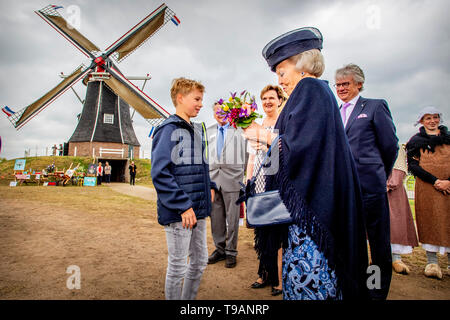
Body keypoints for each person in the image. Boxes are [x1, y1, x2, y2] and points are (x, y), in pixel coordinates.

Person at [244, 27, 369, 300]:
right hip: (310, 208)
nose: (280, 81)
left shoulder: (310, 89)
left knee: (309, 283)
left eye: (282, 73)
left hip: (313, 214)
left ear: (301, 65)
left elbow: (302, 147)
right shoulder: (315, 92)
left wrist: (263, 136)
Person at [335, 63, 399, 300]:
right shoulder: (334, 111)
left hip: (370, 186)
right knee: (351, 240)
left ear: (359, 84)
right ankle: (355, 286)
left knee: (378, 243)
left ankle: (376, 291)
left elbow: (390, 145)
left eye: (346, 84)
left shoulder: (374, 106)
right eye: (338, 84)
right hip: (345, 190)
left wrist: (378, 172)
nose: (341, 88)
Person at [151, 77, 217, 300]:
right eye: (196, 99)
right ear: (180, 98)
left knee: (199, 262)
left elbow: (198, 166)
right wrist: (183, 205)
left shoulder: (196, 130)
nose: (200, 104)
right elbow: (160, 173)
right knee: (178, 266)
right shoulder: (167, 129)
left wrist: (212, 185)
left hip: (197, 209)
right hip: (181, 212)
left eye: (201, 99)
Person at [247, 85, 285, 296]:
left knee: (276, 231)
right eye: (264, 98)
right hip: (260, 182)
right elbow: (252, 157)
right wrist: (249, 180)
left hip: (278, 181)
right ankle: (264, 273)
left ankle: (278, 279)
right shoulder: (258, 125)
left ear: (279, 100)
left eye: (271, 98)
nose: (268, 101)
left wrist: (268, 147)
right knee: (261, 231)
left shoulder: (284, 123)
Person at [405, 107, 450, 279]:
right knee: (430, 221)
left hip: (448, 185)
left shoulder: (448, 138)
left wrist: (447, 181)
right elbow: (413, 165)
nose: (432, 121)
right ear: (422, 121)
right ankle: (432, 262)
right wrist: (435, 181)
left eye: (435, 117)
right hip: (428, 186)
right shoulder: (416, 141)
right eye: (428, 118)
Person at [207, 101, 247, 268]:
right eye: (217, 111)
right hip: (213, 180)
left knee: (232, 218)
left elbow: (245, 155)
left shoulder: (238, 130)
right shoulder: (208, 131)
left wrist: (240, 175)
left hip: (232, 179)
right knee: (216, 218)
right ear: (214, 113)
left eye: (223, 111)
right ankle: (220, 248)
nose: (219, 114)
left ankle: (231, 251)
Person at [387, 144, 419, 275]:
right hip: (370, 188)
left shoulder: (397, 147)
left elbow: (398, 171)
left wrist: (388, 183)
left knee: (394, 224)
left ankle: (396, 258)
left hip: (390, 190)